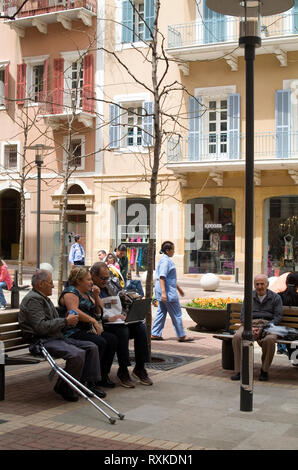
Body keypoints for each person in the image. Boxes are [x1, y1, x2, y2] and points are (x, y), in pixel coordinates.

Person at [19, 270, 103, 402]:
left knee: (91, 346)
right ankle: (64, 386)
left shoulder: (42, 298)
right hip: (41, 340)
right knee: (77, 354)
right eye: (51, 282)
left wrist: (66, 321)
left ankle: (87, 384)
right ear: (41, 284)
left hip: (54, 337)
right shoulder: (33, 299)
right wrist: (65, 321)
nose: (53, 286)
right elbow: (40, 327)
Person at [90, 262, 153, 388]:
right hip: (103, 323)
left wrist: (130, 304)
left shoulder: (111, 285)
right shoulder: (90, 287)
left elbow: (121, 301)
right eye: (103, 278)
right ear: (93, 276)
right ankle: (123, 369)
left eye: (107, 277)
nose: (105, 281)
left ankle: (140, 367)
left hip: (117, 320)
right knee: (123, 331)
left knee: (140, 328)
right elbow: (94, 312)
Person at [58, 267, 118, 389]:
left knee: (112, 339)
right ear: (79, 281)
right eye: (88, 279)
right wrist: (93, 321)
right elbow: (74, 311)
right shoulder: (71, 292)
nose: (91, 282)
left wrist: (96, 296)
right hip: (72, 331)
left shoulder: (86, 293)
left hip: (87, 329)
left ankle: (102, 375)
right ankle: (90, 381)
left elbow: (99, 311)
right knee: (99, 342)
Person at [231, 273, 283, 382]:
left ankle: (264, 371)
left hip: (268, 325)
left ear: (267, 284)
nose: (259, 287)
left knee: (270, 340)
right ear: (254, 285)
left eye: (262, 284)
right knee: (237, 337)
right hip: (250, 323)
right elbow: (243, 316)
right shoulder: (249, 296)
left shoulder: (276, 297)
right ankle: (239, 370)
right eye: (257, 284)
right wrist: (250, 328)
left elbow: (278, 317)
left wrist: (263, 329)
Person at [151, 241, 194, 343]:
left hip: (165, 291)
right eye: (173, 249)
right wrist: (164, 293)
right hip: (167, 292)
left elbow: (170, 278)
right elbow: (162, 277)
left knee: (161, 312)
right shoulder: (166, 262)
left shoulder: (164, 260)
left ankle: (155, 333)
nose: (174, 251)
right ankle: (181, 335)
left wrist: (179, 289)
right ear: (167, 250)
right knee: (177, 314)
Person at [278, 272, 298, 357]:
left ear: (286, 282)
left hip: (283, 332)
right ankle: (294, 358)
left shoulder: (278, 297)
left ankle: (294, 357)